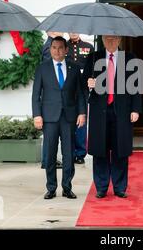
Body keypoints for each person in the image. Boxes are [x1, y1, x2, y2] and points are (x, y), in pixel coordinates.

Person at [83, 35, 142, 199]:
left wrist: (135, 109)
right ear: (102, 39)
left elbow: (136, 86)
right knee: (100, 149)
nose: (110, 41)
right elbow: (83, 83)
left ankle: (119, 186)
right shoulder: (93, 57)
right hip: (99, 111)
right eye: (107, 38)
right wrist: (89, 84)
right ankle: (101, 187)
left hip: (121, 111)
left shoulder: (129, 58)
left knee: (120, 150)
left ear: (120, 40)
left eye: (114, 38)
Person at [32, 36, 86, 200]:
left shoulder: (75, 68)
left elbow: (81, 94)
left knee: (69, 153)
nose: (57, 51)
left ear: (66, 50)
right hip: (49, 117)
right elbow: (36, 95)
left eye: (61, 48)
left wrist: (82, 113)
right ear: (50, 49)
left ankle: (67, 187)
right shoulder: (43, 68)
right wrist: (37, 115)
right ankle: (51, 188)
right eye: (54, 47)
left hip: (69, 117)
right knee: (50, 153)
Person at [42, 32, 94, 165]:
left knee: (81, 120)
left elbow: (93, 67)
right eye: (71, 30)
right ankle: (65, 154)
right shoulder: (62, 46)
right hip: (66, 89)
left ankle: (80, 153)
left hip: (81, 87)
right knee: (66, 122)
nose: (74, 32)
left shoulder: (88, 46)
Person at [40, 31, 65, 170]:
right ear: (50, 31)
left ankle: (49, 159)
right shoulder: (49, 46)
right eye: (58, 29)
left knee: (51, 135)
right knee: (50, 135)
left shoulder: (51, 43)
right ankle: (47, 160)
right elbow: (51, 70)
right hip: (51, 98)